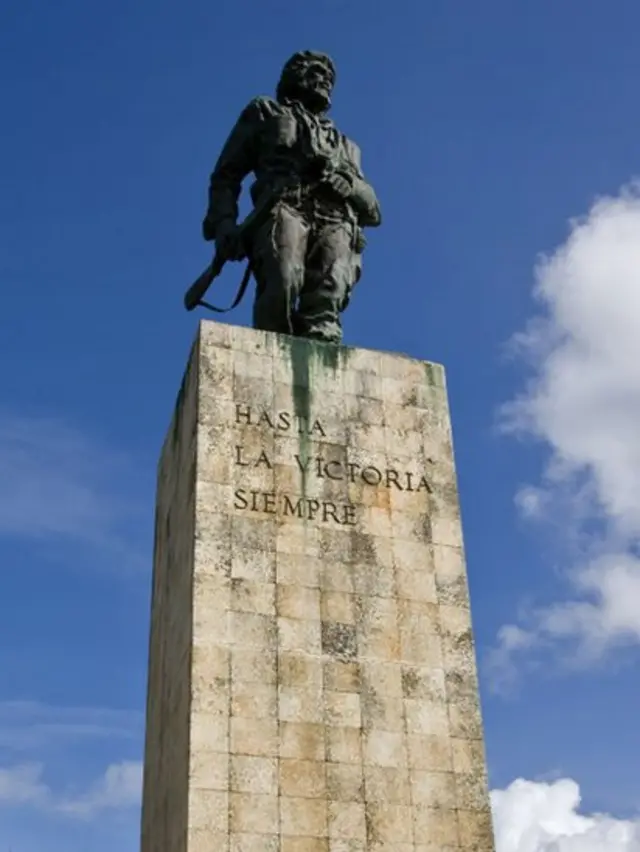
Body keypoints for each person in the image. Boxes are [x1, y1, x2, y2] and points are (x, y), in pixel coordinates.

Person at [202, 50, 381, 343]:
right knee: (283, 281)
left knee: (329, 293)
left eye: (329, 77)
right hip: (284, 207)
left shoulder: (347, 146)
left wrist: (349, 185)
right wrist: (224, 224)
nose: (324, 80)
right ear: (294, 77)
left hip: (335, 219)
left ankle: (321, 352)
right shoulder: (265, 113)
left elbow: (374, 211)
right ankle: (272, 350)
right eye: (315, 72)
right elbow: (226, 175)